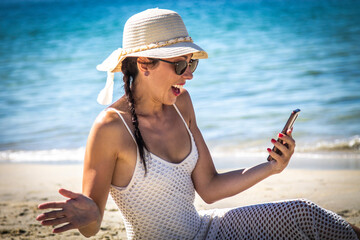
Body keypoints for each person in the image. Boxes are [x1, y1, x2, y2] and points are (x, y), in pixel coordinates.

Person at [36, 8, 360, 239]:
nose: (189, 74)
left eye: (191, 63)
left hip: (207, 228)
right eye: (180, 64)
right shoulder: (109, 129)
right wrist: (90, 216)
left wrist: (272, 167)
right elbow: (92, 226)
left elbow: (209, 188)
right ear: (144, 64)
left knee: (303, 214)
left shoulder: (182, 104)